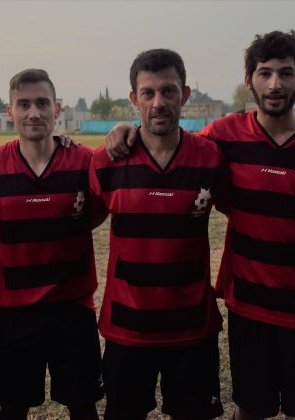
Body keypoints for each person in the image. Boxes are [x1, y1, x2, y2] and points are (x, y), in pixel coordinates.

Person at [106, 31, 295, 420]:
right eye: (264, 73)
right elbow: (170, 140)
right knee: (250, 409)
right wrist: (125, 128)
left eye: (286, 73)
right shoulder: (223, 136)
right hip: (250, 306)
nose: (275, 84)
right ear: (249, 80)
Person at [89, 49, 226, 420]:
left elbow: (250, 213)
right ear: (133, 99)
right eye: (147, 93)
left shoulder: (212, 158)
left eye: (168, 91)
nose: (158, 102)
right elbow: (80, 221)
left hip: (193, 327)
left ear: (185, 95)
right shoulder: (105, 162)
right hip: (127, 328)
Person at [0, 69, 105, 420]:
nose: (33, 113)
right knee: (13, 408)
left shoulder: (85, 161)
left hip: (72, 307)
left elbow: (105, 206)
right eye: (23, 104)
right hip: (13, 311)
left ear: (57, 109)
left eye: (42, 103)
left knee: (83, 406)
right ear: (10, 112)